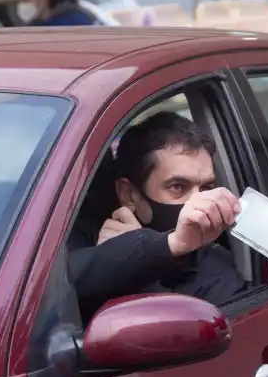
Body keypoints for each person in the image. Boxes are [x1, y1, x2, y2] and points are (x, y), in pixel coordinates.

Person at [68, 112, 246, 318]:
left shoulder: (215, 271)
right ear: (129, 195)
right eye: (178, 187)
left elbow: (178, 337)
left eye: (206, 187)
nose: (197, 203)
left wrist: (141, 267)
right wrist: (128, 254)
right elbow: (46, 291)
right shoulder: (80, 230)